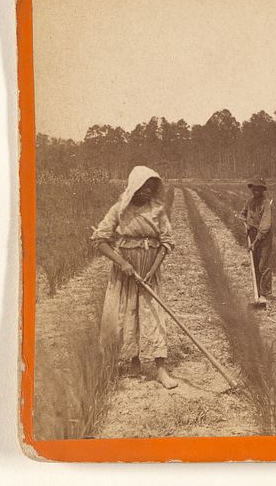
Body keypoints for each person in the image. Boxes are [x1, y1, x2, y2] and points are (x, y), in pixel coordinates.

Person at [90, 166, 177, 389]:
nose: (148, 191)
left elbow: (166, 243)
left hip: (149, 272)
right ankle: (133, 361)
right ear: (134, 187)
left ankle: (160, 369)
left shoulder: (158, 210)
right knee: (126, 314)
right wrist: (123, 263)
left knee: (154, 315)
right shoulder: (119, 209)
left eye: (151, 187)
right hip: (125, 273)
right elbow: (100, 240)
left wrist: (152, 269)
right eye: (143, 187)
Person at [239, 177, 273, 298]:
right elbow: (242, 214)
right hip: (252, 233)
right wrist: (245, 223)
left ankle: (266, 292)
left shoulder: (265, 203)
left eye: (259, 188)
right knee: (254, 263)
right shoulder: (249, 201)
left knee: (263, 264)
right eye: (254, 188)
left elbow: (265, 225)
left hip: (264, 237)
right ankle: (257, 291)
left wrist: (255, 242)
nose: (256, 190)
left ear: (262, 190)